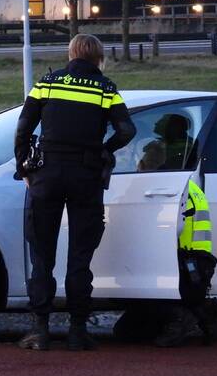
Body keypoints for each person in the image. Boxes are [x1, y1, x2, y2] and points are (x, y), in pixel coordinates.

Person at [13, 34, 136, 351]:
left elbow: (24, 127)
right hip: (86, 176)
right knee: (80, 257)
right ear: (99, 57)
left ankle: (40, 331)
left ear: (71, 54)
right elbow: (127, 130)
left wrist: (24, 168)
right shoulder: (105, 88)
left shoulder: (48, 83)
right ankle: (78, 331)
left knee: (42, 255)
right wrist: (104, 150)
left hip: (48, 175)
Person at [113, 178, 217, 347]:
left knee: (131, 320)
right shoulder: (190, 187)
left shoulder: (167, 188)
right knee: (124, 332)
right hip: (195, 264)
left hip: (183, 262)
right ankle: (201, 311)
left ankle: (180, 317)